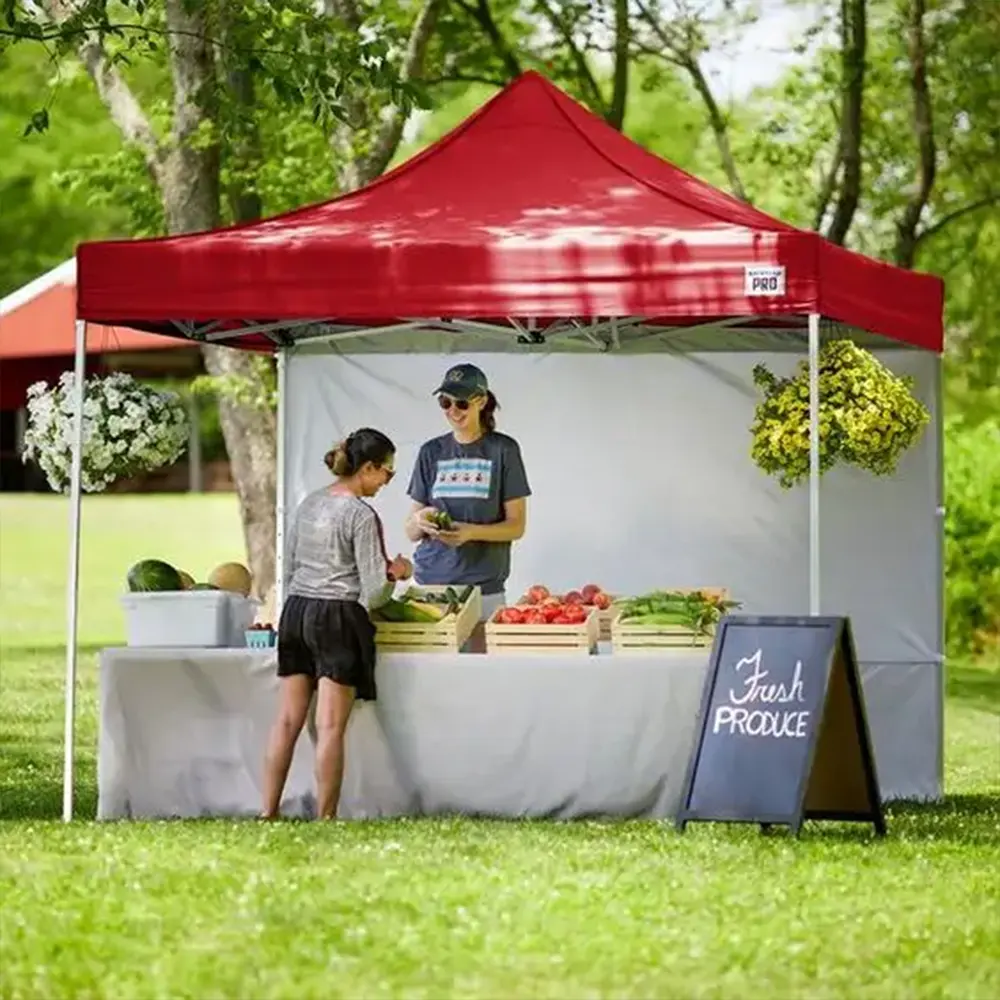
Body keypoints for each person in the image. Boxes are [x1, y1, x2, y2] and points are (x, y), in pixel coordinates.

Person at [261, 428, 411, 820]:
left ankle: (267, 811)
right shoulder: (361, 515)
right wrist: (398, 572)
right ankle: (326, 817)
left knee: (287, 720)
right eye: (387, 473)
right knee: (328, 727)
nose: (387, 482)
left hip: (296, 611)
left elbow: (290, 566)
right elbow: (375, 591)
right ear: (368, 468)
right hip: (337, 618)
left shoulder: (309, 503)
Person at [404, 364, 530, 638]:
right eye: (445, 402)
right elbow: (411, 531)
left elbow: (516, 526)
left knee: (481, 673)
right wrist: (421, 520)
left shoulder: (503, 450)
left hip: (483, 589)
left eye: (461, 403)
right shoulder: (431, 451)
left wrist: (471, 532)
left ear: (481, 401)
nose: (453, 411)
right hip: (430, 586)